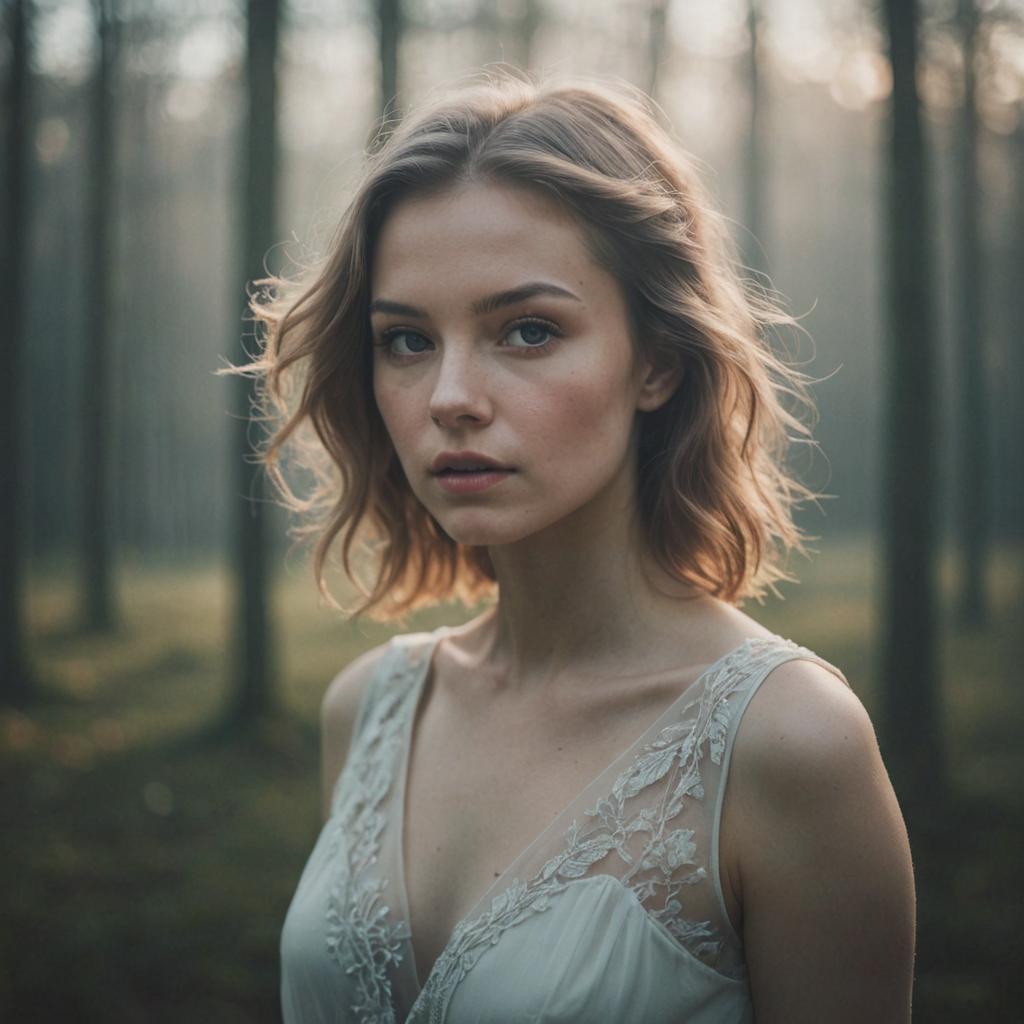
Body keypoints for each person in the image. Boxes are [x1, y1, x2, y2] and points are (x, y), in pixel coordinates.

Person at [243, 71, 916, 1022]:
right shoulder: (368, 711)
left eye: (527, 330)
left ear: (658, 362)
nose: (450, 397)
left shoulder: (788, 745)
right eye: (405, 340)